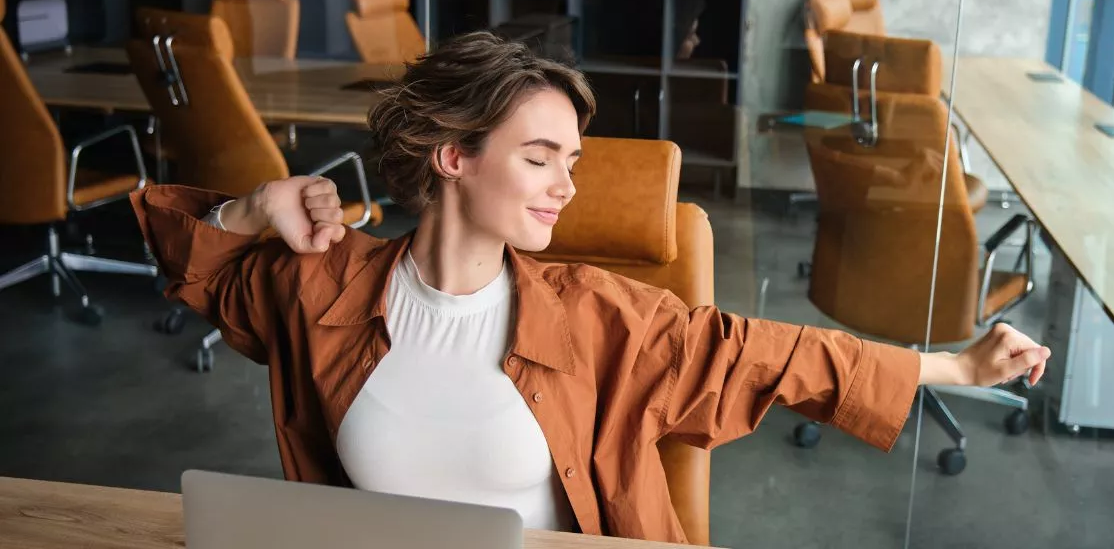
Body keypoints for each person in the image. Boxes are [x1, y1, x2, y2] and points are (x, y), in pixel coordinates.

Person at [131, 31, 1050, 544]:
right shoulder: (319, 288)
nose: (568, 187)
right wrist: (253, 208)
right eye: (539, 159)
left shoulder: (598, 313)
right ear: (454, 158)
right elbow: (195, 265)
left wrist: (955, 368)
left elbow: (773, 355)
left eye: (571, 160)